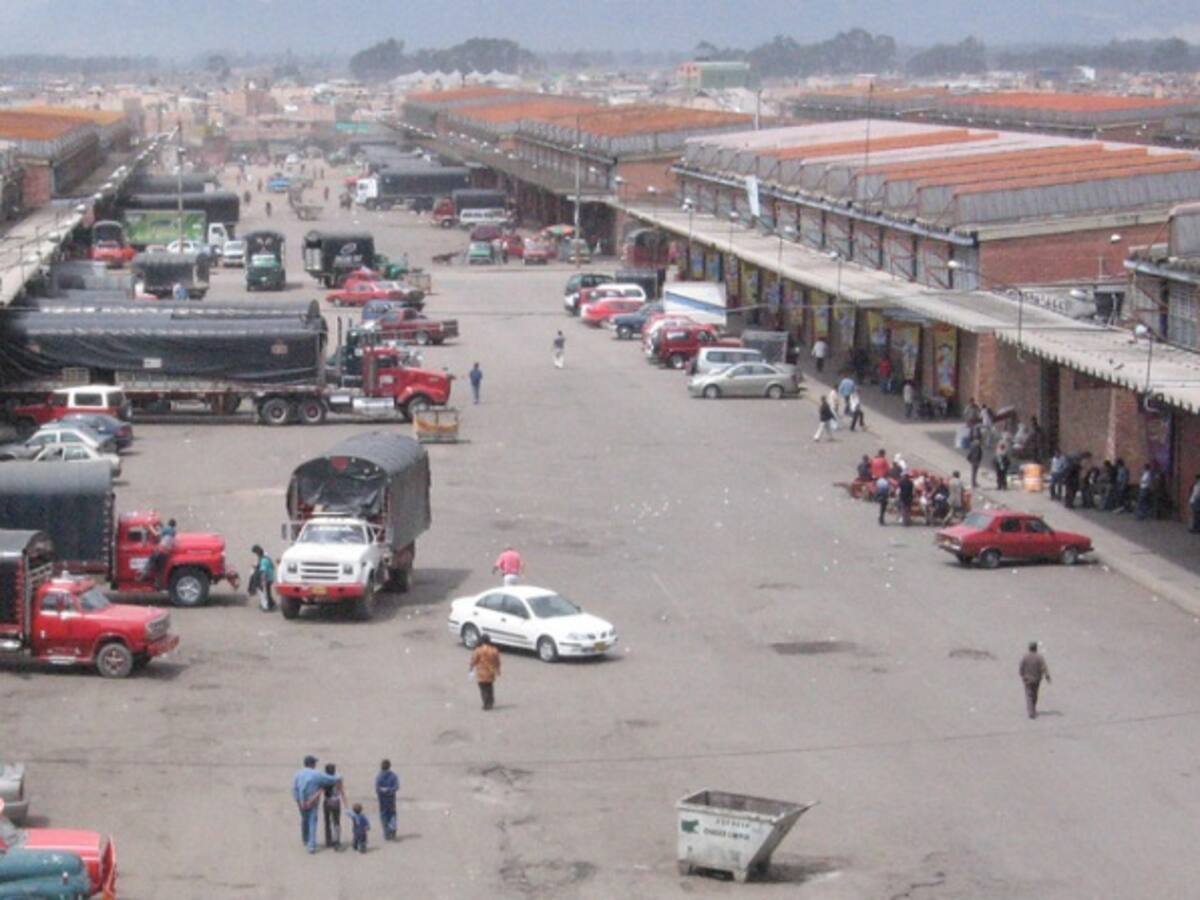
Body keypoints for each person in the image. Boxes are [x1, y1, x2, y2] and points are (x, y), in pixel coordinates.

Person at [292, 755, 342, 854]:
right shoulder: (316, 774)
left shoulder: (297, 774)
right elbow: (332, 779)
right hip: (312, 801)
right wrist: (338, 776)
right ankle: (311, 846)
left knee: (304, 819)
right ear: (311, 764)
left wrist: (299, 801)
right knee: (312, 822)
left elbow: (294, 789)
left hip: (301, 801)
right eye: (314, 763)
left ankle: (306, 839)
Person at [1019, 641, 1051, 719]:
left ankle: (1031, 712)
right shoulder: (1039, 657)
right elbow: (1044, 667)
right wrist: (1047, 676)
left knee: (1029, 695)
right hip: (1037, 679)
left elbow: (1021, 667)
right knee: (1035, 694)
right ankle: (1033, 709)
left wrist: (1022, 675)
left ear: (1029, 648)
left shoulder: (1025, 657)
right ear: (1036, 648)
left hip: (1027, 679)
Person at [470, 633, 502, 710]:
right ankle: (490, 702)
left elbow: (474, 660)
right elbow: (497, 661)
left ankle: (486, 703)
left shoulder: (478, 650)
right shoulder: (494, 650)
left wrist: (471, 667)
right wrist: (498, 670)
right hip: (490, 672)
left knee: (483, 688)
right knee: (489, 687)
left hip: (481, 672)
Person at [375, 759, 399, 841]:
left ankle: (386, 833)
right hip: (391, 798)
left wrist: (383, 790)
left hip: (382, 799)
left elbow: (377, 789)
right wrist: (390, 789)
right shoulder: (393, 776)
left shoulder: (379, 776)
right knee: (392, 814)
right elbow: (396, 787)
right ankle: (393, 829)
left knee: (383, 815)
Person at [322, 764, 344, 850]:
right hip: (336, 801)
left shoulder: (323, 779)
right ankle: (337, 841)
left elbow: (321, 789)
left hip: (327, 801)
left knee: (327, 822)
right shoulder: (338, 779)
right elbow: (341, 789)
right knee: (336, 822)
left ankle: (328, 840)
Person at [251, 544, 276, 612]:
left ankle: (268, 605)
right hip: (270, 576)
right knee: (268, 591)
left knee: (266, 591)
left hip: (268, 578)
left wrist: (262, 581)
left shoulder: (263, 560)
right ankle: (271, 603)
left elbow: (263, 572)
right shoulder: (265, 556)